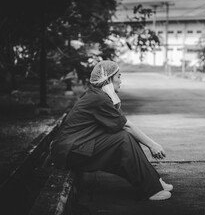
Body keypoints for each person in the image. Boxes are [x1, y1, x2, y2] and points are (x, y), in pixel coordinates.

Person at [50, 60, 172, 201]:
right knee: (123, 138)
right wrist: (152, 144)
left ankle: (153, 181)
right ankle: (151, 189)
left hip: (76, 147)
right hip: (70, 152)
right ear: (108, 79)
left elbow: (120, 124)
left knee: (124, 137)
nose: (121, 81)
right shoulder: (99, 98)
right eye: (118, 77)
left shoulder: (99, 95)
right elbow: (126, 125)